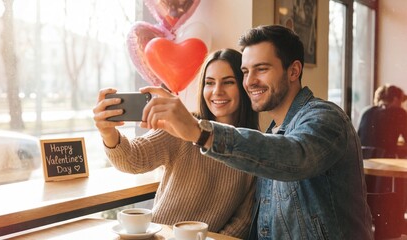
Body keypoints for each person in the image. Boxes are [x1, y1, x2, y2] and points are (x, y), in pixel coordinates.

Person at [139, 25, 373, 239]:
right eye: (245, 72)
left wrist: (201, 133)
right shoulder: (270, 135)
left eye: (261, 69)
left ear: (294, 71)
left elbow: (294, 156)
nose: (250, 81)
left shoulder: (325, 117)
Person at [93, 48, 259, 239]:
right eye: (209, 82)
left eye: (228, 82)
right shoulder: (184, 126)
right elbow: (133, 159)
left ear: (244, 86)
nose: (217, 91)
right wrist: (108, 133)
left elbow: (243, 221)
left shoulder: (254, 146)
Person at [358, 84, 407, 158]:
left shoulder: (366, 111)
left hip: (363, 162)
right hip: (385, 162)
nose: (402, 104)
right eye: (401, 100)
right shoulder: (399, 112)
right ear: (395, 99)